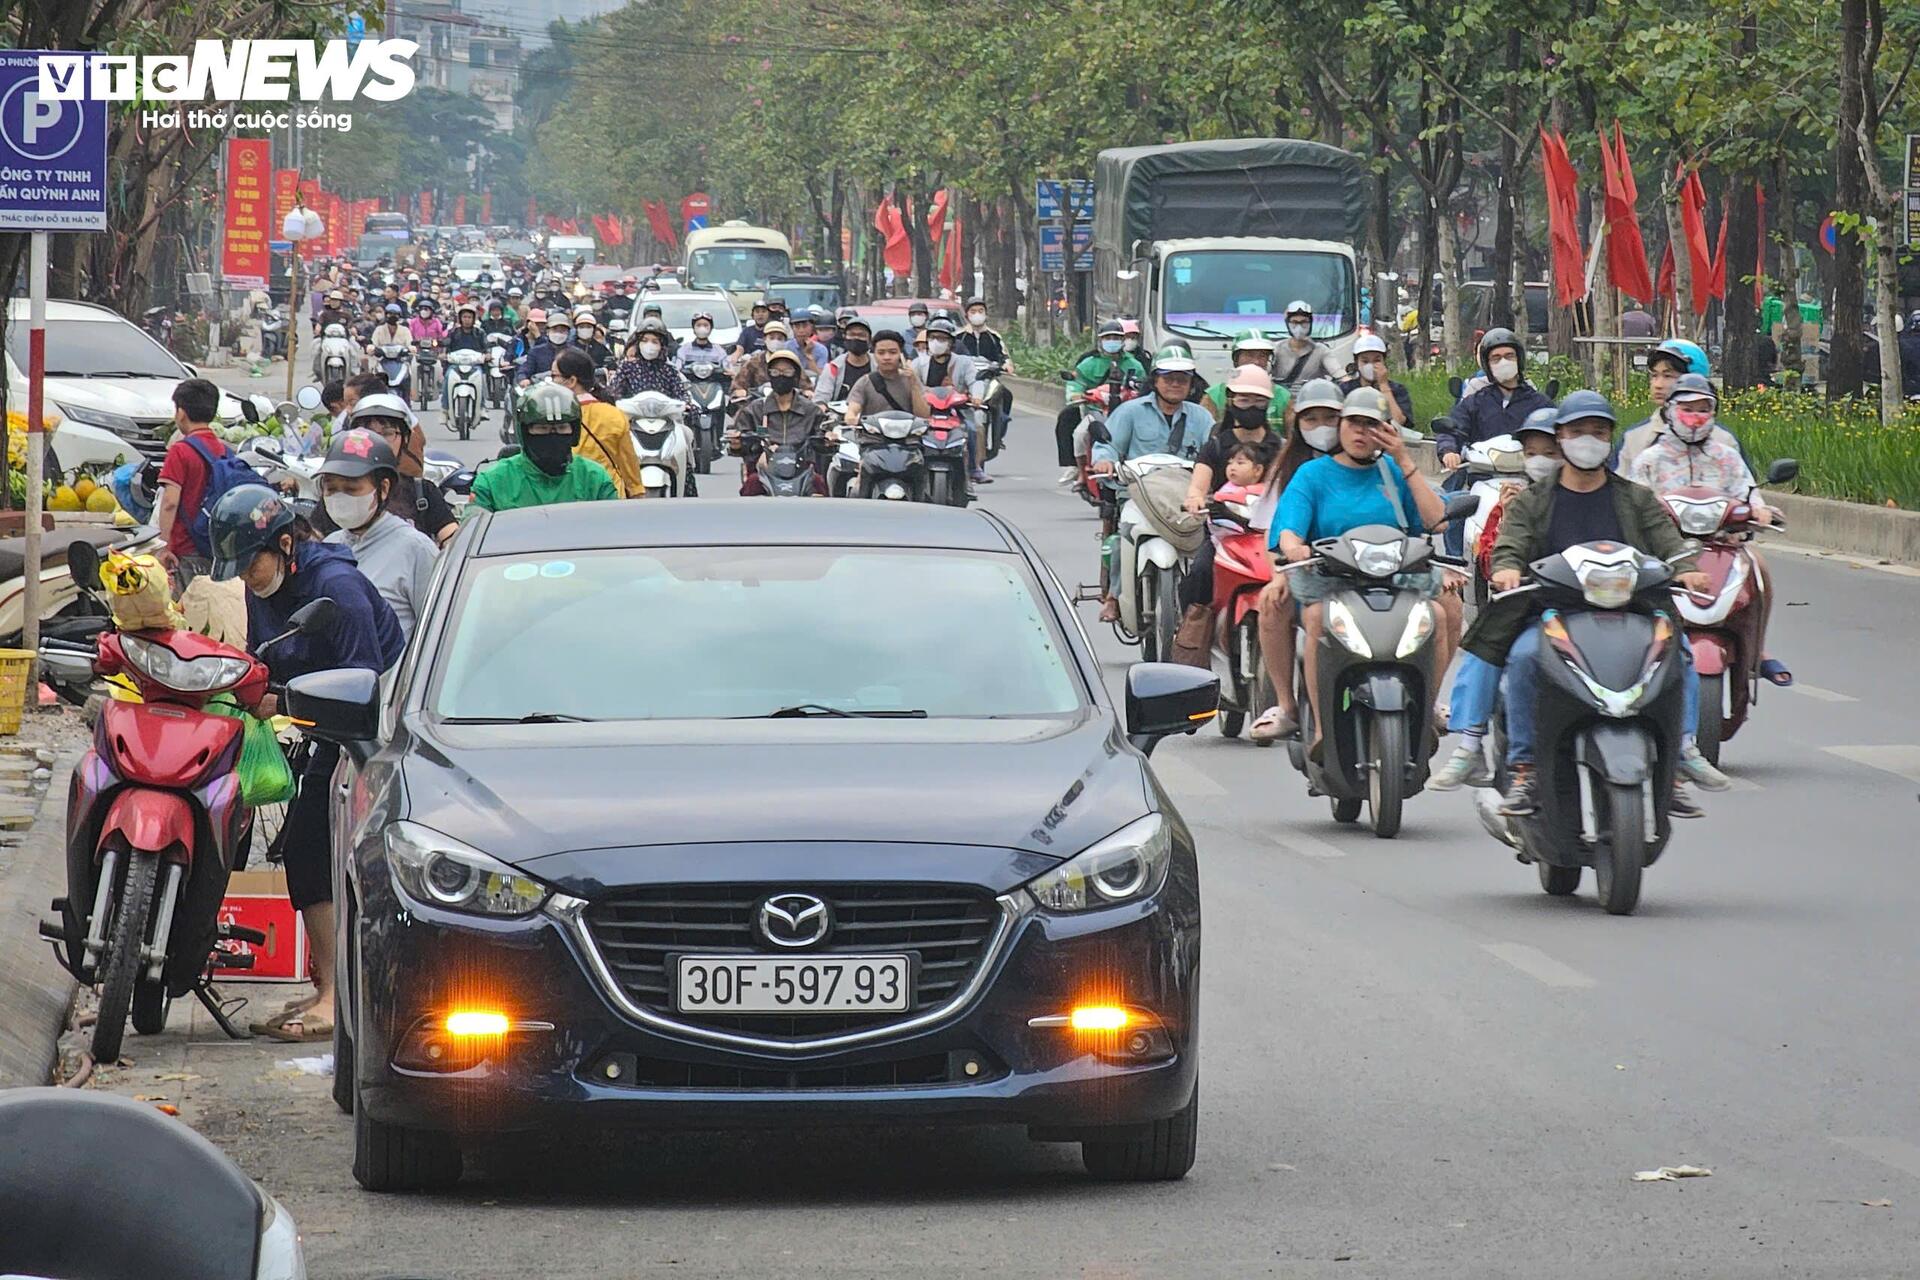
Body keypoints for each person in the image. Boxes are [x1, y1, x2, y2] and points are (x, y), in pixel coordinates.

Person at [1455, 391, 1728, 818]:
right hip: (1551, 613)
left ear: (1610, 440)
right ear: (1560, 437)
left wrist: (1687, 569)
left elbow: (1669, 543)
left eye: (1598, 432)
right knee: (1524, 658)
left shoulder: (1635, 498)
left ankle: (1679, 756)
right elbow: (1511, 545)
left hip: (1630, 611)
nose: (1588, 440)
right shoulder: (1533, 499)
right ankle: (1525, 769)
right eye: (1578, 431)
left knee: (1679, 654)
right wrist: (1508, 570)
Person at [211, 483, 403, 1043]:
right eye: (240, 568)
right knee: (293, 842)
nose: (248, 576)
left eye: (254, 563)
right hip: (314, 724)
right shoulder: (264, 589)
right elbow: (259, 658)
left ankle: (337, 996)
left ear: (288, 544)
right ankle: (329, 982)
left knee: (310, 842)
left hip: (366, 732)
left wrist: (286, 701)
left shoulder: (335, 587)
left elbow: (363, 685)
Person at [1272, 387, 1460, 759]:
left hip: (1397, 576)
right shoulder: (1313, 474)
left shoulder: (1393, 471)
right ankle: (1322, 728)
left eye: (1371, 425)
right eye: (1354, 424)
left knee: (1444, 611)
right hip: (1331, 578)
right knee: (1315, 618)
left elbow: (1436, 521)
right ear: (1340, 427)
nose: (1361, 433)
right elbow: (1290, 527)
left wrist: (1405, 460)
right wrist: (1295, 545)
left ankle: (1428, 707)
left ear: (1386, 430)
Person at [1626, 373, 1791, 688]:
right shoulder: (1650, 460)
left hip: (1723, 544)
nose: (1695, 416)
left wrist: (1761, 510)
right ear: (1671, 410)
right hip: (1665, 549)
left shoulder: (1727, 457)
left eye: (1704, 408)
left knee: (1759, 566)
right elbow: (1635, 501)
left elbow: (1748, 492)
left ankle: (1756, 649)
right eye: (1687, 407)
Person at [1430, 406, 1561, 790]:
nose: (1543, 461)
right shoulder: (1518, 502)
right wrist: (1506, 560)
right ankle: (1471, 743)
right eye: (1534, 453)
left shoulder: (1611, 492)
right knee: (1496, 649)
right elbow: (1495, 551)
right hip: (1532, 602)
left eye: (1552, 452)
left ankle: (1677, 752)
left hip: (1594, 603)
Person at [1171, 364, 1283, 658]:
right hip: (1226, 533)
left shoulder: (1280, 447)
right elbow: (1198, 484)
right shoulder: (1217, 444)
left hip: (1270, 533)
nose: (1251, 407)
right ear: (1231, 401)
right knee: (1199, 573)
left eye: (1259, 401)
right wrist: (1196, 499)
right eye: (1244, 400)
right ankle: (1192, 640)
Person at [1091, 346, 1211, 621]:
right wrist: (1104, 462)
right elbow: (1107, 445)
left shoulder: (1201, 417)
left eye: (1183, 378)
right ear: (1155, 380)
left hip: (1185, 496)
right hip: (1138, 493)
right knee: (1124, 536)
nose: (1175, 384)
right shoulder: (1130, 411)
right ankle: (1114, 597)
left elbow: (1213, 451)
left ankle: (1200, 606)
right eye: (1168, 377)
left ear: (1191, 384)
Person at [1434, 327, 1555, 555]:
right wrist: (1449, 449)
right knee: (1455, 512)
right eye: (1496, 358)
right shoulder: (1475, 402)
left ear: (1519, 359)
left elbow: (1557, 433)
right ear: (1487, 365)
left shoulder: (1540, 403)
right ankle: (1457, 565)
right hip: (1483, 481)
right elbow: (1452, 428)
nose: (1503, 362)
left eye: (1509, 356)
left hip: (1529, 481)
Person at [315, 429, 437, 637]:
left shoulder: (416, 550)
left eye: (351, 489)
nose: (340, 496)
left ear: (383, 488)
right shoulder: (330, 546)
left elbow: (438, 630)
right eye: (331, 489)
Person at [331, 393, 460, 545]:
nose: (377, 440)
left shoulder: (422, 492)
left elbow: (452, 540)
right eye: (369, 433)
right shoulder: (338, 492)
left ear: (404, 439)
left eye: (388, 433)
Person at [472, 383, 621, 512]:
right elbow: (473, 529)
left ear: (573, 432)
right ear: (525, 432)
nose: (552, 436)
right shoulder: (492, 482)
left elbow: (614, 528)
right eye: (542, 429)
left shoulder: (594, 478)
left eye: (561, 428)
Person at [150, 378, 237, 580]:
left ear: (181, 413)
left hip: (185, 549)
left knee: (185, 608)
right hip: (214, 547)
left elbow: (170, 503)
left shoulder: (180, 451)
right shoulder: (223, 450)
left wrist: (163, 546)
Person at [1056, 319, 1148, 486]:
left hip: (1126, 412)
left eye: (1116, 337)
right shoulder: (1088, 363)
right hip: (1096, 411)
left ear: (1122, 340)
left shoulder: (1135, 364)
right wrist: (1077, 395)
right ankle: (1081, 472)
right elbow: (1076, 383)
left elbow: (1143, 386)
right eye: (1108, 338)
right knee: (1080, 435)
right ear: (1100, 341)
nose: (1112, 341)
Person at [1614, 339, 1730, 469]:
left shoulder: (1724, 441)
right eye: (1654, 376)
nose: (1658, 385)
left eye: (1668, 376)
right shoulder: (1634, 438)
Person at [732, 348, 830, 495]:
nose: (781, 376)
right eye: (775, 372)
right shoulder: (755, 409)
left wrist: (829, 439)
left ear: (796, 376)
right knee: (751, 485)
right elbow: (741, 439)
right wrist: (737, 443)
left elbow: (823, 439)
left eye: (787, 372)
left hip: (802, 470)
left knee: (819, 485)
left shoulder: (811, 410)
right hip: (764, 471)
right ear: (769, 375)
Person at [554, 347, 644, 499]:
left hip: (568, 499)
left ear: (571, 381)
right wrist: (637, 494)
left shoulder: (554, 418)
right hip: (610, 498)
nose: (551, 381)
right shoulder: (615, 415)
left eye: (554, 376)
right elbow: (628, 464)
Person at [912, 317, 988, 484]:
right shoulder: (918, 364)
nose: (936, 342)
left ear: (951, 343)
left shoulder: (964, 362)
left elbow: (975, 381)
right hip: (925, 410)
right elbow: (911, 385)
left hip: (956, 410)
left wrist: (976, 396)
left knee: (974, 427)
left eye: (942, 338)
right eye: (932, 338)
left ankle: (974, 468)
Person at [842, 329, 931, 426]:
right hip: (873, 437)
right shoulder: (865, 382)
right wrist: (851, 418)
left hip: (907, 438)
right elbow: (852, 410)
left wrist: (914, 383)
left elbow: (924, 416)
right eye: (881, 353)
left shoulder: (912, 379)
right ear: (874, 355)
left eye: (892, 352)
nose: (887, 357)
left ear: (901, 354)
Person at [1205, 329, 1289, 428]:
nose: (1256, 361)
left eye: (1262, 356)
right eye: (1250, 355)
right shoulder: (1214, 396)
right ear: (1236, 359)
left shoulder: (1283, 396)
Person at [1339, 332, 1413, 427]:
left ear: (1384, 361)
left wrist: (1383, 385)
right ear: (1356, 362)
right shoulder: (1345, 389)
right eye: (1365, 361)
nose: (1371, 365)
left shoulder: (1397, 389)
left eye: (1377, 360)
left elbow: (1399, 422)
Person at [613, 319, 694, 401]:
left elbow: (682, 395)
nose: (649, 345)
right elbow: (614, 392)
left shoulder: (669, 371)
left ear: (662, 346)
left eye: (654, 342)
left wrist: (685, 404)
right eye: (644, 341)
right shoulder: (627, 368)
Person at [1272, 300, 1338, 391]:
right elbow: (1263, 370)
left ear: (1310, 324)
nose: (1299, 327)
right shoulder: (1276, 348)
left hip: (1312, 399)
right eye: (1294, 322)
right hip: (1283, 400)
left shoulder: (1321, 350)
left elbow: (1337, 371)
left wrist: (1346, 381)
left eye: (1304, 322)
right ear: (1287, 324)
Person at [813, 317, 876, 405]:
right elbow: (820, 398)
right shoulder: (833, 367)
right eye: (852, 334)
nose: (856, 338)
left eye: (861, 335)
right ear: (845, 337)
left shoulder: (879, 365)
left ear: (869, 339)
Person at [732, 318, 801, 398]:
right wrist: (741, 392)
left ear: (785, 341)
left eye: (779, 339)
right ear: (764, 339)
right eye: (771, 338)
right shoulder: (754, 362)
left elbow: (806, 386)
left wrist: (807, 391)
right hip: (759, 406)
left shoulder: (792, 361)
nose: (776, 341)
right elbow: (737, 387)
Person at [518, 310, 571, 383]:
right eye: (555, 329)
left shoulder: (574, 353)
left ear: (568, 333)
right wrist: (523, 379)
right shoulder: (536, 352)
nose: (558, 333)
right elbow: (525, 370)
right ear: (548, 331)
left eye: (562, 330)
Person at [789, 308, 830, 375]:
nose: (801, 330)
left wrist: (809, 355)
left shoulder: (821, 350)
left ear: (812, 327)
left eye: (805, 326)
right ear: (792, 328)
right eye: (797, 326)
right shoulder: (785, 347)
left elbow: (820, 376)